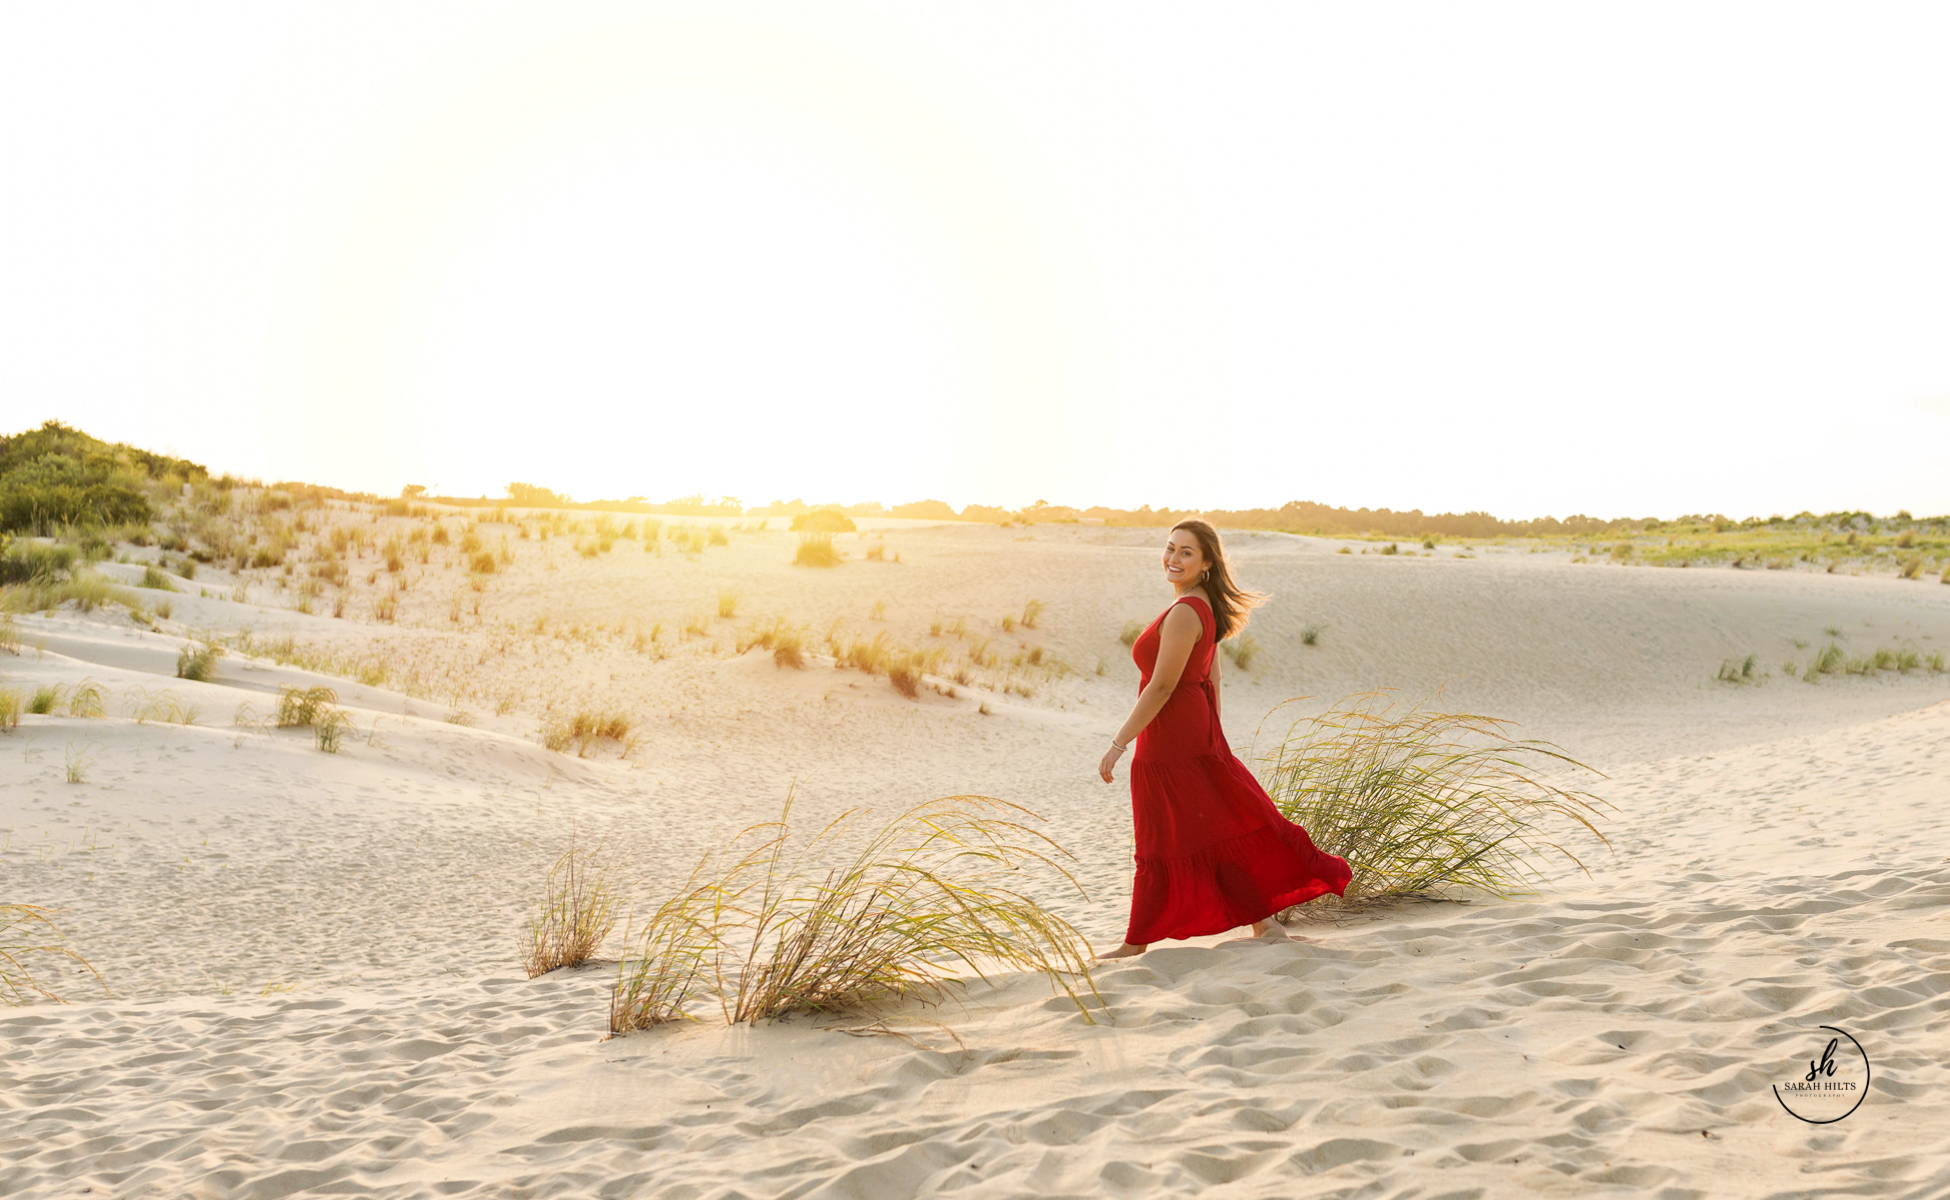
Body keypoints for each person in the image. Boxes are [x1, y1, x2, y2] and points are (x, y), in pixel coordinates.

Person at [1096, 520, 1350, 959]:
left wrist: (1118, 744)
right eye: (1170, 548)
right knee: (1213, 825)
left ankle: (1136, 943)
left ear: (1207, 562)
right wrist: (1211, 735)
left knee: (1161, 835)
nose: (1173, 559)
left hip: (1171, 737)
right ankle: (1264, 923)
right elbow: (1211, 676)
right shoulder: (1201, 607)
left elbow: (1161, 686)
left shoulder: (1183, 612)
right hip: (1190, 731)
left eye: (1186, 553)